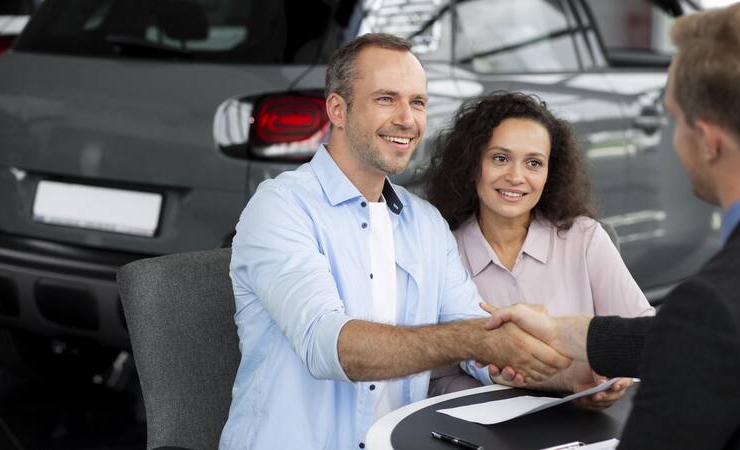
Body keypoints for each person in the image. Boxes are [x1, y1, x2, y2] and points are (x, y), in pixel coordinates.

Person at [218, 33, 571, 450]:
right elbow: (329, 346)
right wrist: (476, 340)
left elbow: (479, 337)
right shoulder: (280, 207)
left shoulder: (425, 223)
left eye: (417, 102)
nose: (408, 119)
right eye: (387, 98)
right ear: (338, 109)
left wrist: (565, 373)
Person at [483, 2, 740, 448]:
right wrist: (567, 333)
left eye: (674, 119)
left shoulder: (715, 306)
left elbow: (708, 334)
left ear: (708, 141)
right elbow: (691, 337)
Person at [423, 92, 654, 401]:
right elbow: (435, 378)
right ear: (471, 164)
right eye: (500, 158)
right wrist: (505, 389)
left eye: (533, 163)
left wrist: (613, 379)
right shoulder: (442, 251)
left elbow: (644, 334)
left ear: (550, 174)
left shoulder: (584, 237)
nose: (516, 177)